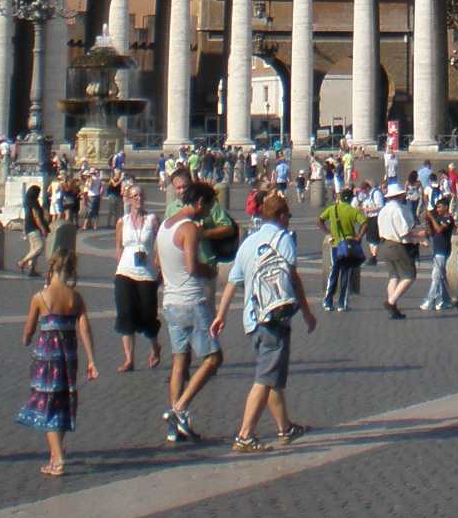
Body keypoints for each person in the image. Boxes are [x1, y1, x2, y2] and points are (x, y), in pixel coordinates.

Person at [214, 192, 317, 451]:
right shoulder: (283, 239)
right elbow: (293, 279)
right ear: (281, 216)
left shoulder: (249, 241)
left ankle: (285, 428)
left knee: (271, 375)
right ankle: (244, 435)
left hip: (252, 320)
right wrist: (306, 312)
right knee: (264, 378)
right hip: (274, 316)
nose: (289, 220)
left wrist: (221, 315)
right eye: (288, 216)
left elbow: (232, 282)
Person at [17, 246, 98, 476]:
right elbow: (85, 329)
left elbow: (29, 329)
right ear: (71, 270)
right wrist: (92, 360)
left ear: (51, 269)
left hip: (47, 358)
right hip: (68, 357)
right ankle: (55, 456)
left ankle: (59, 458)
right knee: (62, 401)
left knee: (46, 403)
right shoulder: (76, 298)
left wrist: (26, 339)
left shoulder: (40, 297)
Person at [158, 180, 223, 442]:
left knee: (180, 360)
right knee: (214, 358)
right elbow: (192, 267)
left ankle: (176, 429)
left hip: (170, 301)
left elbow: (157, 261)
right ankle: (179, 409)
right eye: (208, 207)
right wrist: (210, 270)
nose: (207, 214)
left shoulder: (165, 226)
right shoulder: (189, 229)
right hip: (190, 300)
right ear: (198, 202)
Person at [113, 184, 162, 371]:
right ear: (128, 199)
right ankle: (129, 359)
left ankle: (155, 347)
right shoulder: (122, 222)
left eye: (141, 195)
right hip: (125, 272)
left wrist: (160, 267)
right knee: (125, 313)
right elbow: (119, 245)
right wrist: (120, 265)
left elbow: (160, 243)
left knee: (149, 314)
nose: (138, 199)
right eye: (134, 196)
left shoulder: (152, 219)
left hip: (147, 273)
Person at [378, 181, 419, 320]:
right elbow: (404, 232)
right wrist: (420, 235)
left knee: (393, 276)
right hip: (396, 245)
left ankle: (393, 310)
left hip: (385, 244)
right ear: (399, 196)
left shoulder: (383, 210)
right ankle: (391, 302)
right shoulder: (397, 210)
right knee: (410, 275)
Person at [319, 190, 365, 312]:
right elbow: (365, 223)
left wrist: (328, 231)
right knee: (346, 273)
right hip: (349, 246)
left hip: (336, 245)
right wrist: (358, 237)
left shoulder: (332, 209)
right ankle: (342, 304)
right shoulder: (353, 211)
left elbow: (319, 220)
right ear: (350, 199)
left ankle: (328, 301)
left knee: (333, 272)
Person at [421, 193, 454, 311]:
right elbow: (431, 232)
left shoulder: (448, 219)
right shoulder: (439, 218)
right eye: (437, 207)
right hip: (437, 250)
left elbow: (439, 230)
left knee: (436, 276)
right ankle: (446, 301)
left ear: (446, 207)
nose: (438, 209)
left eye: (440, 207)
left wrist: (432, 218)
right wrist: (428, 222)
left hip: (443, 250)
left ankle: (431, 300)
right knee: (441, 276)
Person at [20, 184, 48, 277]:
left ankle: (32, 268)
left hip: (28, 227)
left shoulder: (27, 202)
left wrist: (24, 228)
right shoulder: (34, 203)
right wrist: (43, 228)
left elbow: (26, 216)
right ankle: (22, 262)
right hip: (34, 227)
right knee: (39, 247)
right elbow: (37, 217)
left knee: (33, 248)